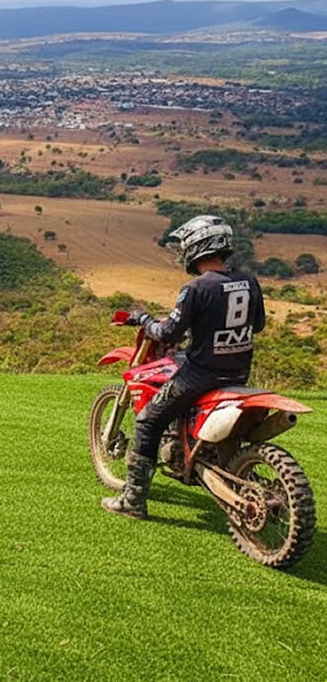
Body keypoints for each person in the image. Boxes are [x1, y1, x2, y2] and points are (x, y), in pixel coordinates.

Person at [103, 215, 265, 519]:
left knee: (149, 420)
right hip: (238, 373)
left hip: (200, 375)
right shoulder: (249, 281)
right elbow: (257, 326)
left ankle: (133, 500)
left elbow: (167, 334)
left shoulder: (196, 288)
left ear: (195, 247)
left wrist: (142, 320)